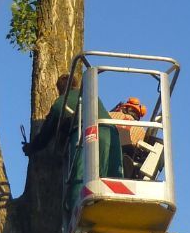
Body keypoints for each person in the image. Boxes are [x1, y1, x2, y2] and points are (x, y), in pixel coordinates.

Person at [25, 72, 123, 215]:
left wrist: (31, 147)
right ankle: (116, 204)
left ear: (59, 89)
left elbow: (46, 133)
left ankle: (75, 209)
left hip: (86, 135)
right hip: (111, 133)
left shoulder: (60, 102)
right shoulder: (92, 96)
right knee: (111, 175)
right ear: (76, 85)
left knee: (79, 177)